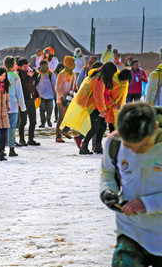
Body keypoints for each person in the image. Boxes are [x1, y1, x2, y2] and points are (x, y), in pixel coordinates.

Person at [100, 102, 161, 266]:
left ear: (155, 128)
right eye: (129, 146)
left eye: (142, 146)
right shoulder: (115, 142)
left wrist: (148, 203)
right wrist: (107, 190)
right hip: (131, 232)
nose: (134, 152)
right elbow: (108, 173)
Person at [62, 62, 117, 154]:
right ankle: (84, 146)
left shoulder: (103, 79)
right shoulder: (99, 79)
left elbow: (105, 95)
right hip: (94, 107)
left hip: (99, 107)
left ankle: (98, 147)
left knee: (102, 127)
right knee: (95, 127)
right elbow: (98, 96)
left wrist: (112, 104)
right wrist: (102, 110)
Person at [0, 56, 26, 157]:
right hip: (13, 106)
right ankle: (11, 149)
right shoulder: (16, 77)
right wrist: (23, 107)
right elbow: (19, 93)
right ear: (13, 65)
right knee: (11, 128)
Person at [17, 58, 41, 146]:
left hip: (31, 99)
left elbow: (34, 83)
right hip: (23, 99)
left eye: (27, 66)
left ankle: (31, 139)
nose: (27, 68)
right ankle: (21, 139)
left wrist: (35, 76)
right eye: (25, 66)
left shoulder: (27, 73)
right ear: (19, 67)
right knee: (23, 121)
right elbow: (23, 85)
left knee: (33, 120)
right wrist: (29, 76)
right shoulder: (18, 74)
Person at [54, 56, 77, 143]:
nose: (74, 65)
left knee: (72, 115)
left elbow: (74, 85)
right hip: (62, 99)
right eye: (72, 63)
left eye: (74, 63)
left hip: (70, 97)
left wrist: (77, 91)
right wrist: (61, 98)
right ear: (67, 64)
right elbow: (57, 88)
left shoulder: (73, 73)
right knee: (62, 117)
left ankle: (65, 130)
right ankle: (58, 135)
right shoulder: (62, 74)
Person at [36, 59, 56, 128]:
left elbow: (54, 84)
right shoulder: (38, 74)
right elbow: (36, 84)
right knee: (42, 109)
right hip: (41, 95)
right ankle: (42, 122)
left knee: (50, 109)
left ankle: (49, 120)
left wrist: (55, 92)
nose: (43, 67)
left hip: (50, 95)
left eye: (45, 65)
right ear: (40, 66)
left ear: (47, 66)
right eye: (42, 66)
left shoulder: (51, 74)